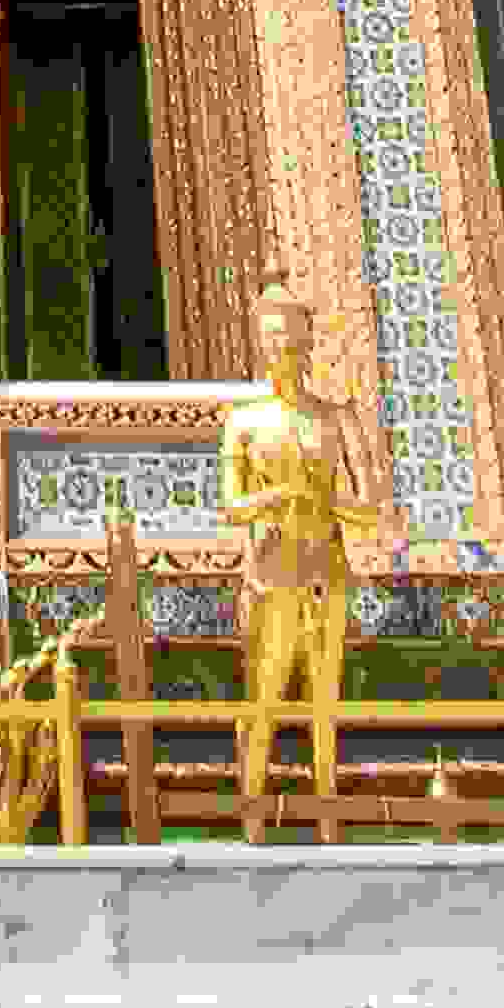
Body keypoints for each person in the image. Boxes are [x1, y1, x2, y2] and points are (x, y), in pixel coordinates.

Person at [219, 281, 358, 836]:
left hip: (326, 568)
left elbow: (370, 508)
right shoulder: (244, 420)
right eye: (272, 342)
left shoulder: (334, 419)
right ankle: (252, 817)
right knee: (265, 696)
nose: (282, 352)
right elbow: (231, 506)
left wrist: (326, 500)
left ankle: (328, 817)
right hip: (270, 572)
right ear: (261, 346)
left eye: (291, 341)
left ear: (306, 345)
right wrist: (275, 498)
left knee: (324, 702)